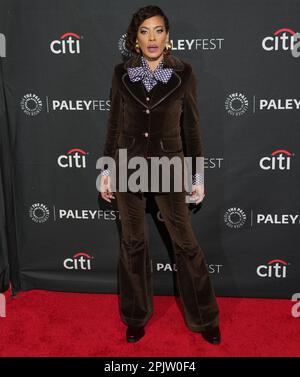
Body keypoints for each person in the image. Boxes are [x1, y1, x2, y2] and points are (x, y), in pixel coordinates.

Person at [99, 5, 221, 345]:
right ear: (135, 39)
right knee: (133, 243)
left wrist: (196, 176)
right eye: (144, 32)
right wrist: (107, 168)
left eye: (158, 31)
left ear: (167, 36)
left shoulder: (184, 74)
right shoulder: (120, 74)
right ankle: (135, 316)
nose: (152, 38)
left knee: (185, 244)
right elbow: (114, 124)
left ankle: (205, 317)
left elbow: (192, 129)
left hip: (170, 168)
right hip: (128, 166)